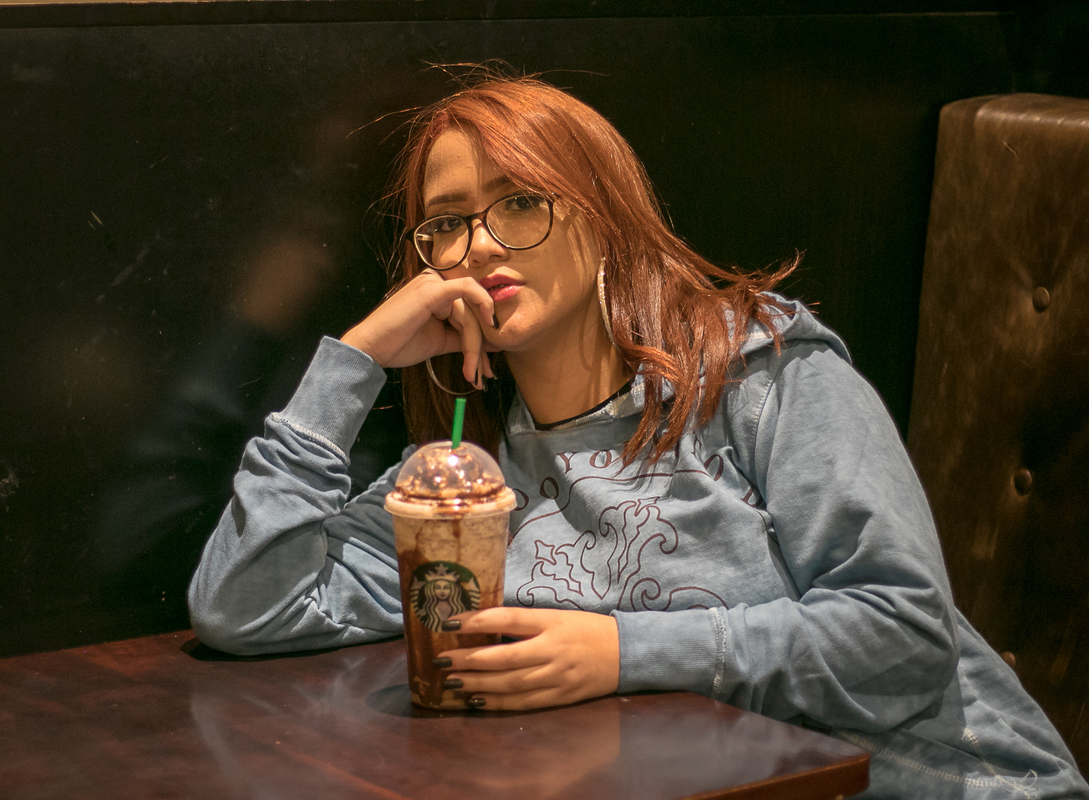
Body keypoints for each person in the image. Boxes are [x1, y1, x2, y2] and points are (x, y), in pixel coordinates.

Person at [189, 74, 1087, 797]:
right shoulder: (469, 487)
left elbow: (899, 637)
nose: (482, 247)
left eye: (520, 204)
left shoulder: (760, 372)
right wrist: (353, 360)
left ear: (604, 216)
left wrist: (620, 654)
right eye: (447, 225)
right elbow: (245, 608)